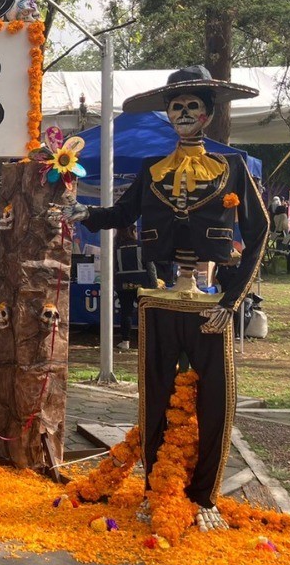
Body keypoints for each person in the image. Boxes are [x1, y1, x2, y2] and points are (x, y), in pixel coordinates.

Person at [63, 65, 268, 531]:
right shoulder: (154, 170)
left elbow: (259, 233)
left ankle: (203, 496)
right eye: (176, 106)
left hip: (210, 306)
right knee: (154, 399)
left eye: (192, 105)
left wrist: (230, 302)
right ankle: (158, 488)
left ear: (209, 113)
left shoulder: (232, 168)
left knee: (216, 400)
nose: (183, 113)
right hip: (159, 300)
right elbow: (122, 212)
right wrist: (83, 213)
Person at [114, 225, 157, 350]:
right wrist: (154, 286)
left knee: (126, 312)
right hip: (142, 283)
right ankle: (147, 339)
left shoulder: (116, 247)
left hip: (123, 284)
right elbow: (150, 267)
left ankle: (125, 341)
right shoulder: (141, 246)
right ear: (133, 232)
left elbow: (113, 268)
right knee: (144, 312)